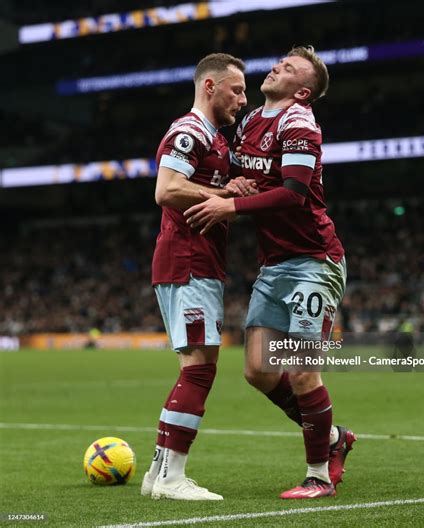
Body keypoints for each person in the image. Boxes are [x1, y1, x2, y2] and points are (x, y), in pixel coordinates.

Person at [184, 46, 356, 499]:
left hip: (313, 263)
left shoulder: (298, 121)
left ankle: (319, 475)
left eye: (290, 68)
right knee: (259, 371)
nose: (278, 66)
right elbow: (255, 179)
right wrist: (233, 187)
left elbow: (295, 193)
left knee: (301, 371)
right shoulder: (249, 123)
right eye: (280, 61)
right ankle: (335, 437)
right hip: (275, 265)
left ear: (302, 90)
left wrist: (230, 205)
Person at [141, 52, 251, 501]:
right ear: (210, 86)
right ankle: (171, 478)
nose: (243, 99)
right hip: (188, 260)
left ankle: (157, 473)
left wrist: (232, 192)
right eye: (237, 89)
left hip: (198, 260)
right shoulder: (190, 131)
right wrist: (223, 192)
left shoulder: (215, 138)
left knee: (197, 369)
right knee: (199, 371)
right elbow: (165, 190)